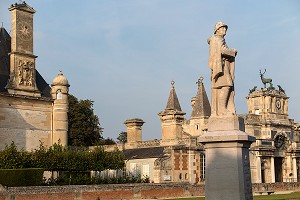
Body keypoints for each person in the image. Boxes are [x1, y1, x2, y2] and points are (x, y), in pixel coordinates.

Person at [208, 22, 237, 116]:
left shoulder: (217, 40)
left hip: (223, 66)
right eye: (223, 28)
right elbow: (222, 50)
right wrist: (233, 52)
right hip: (221, 68)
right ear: (217, 30)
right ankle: (222, 109)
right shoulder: (218, 39)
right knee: (227, 84)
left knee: (225, 85)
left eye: (225, 28)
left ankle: (222, 108)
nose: (225, 30)